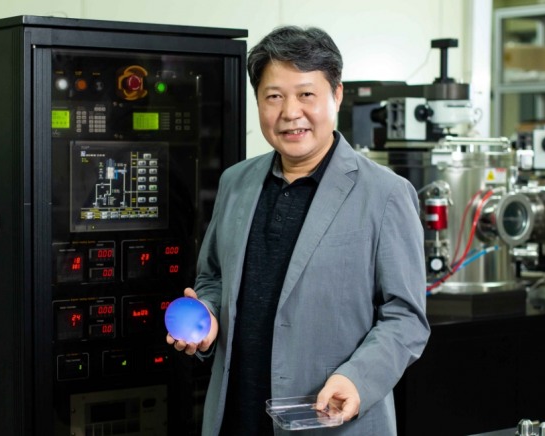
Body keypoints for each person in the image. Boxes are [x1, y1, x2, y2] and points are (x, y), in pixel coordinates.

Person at [167, 25, 430, 436]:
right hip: (237, 416)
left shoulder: (385, 194)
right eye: (274, 96)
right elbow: (213, 276)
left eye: (306, 94)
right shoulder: (236, 182)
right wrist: (209, 317)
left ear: (336, 95)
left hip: (329, 420)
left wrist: (357, 379)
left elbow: (406, 317)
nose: (290, 113)